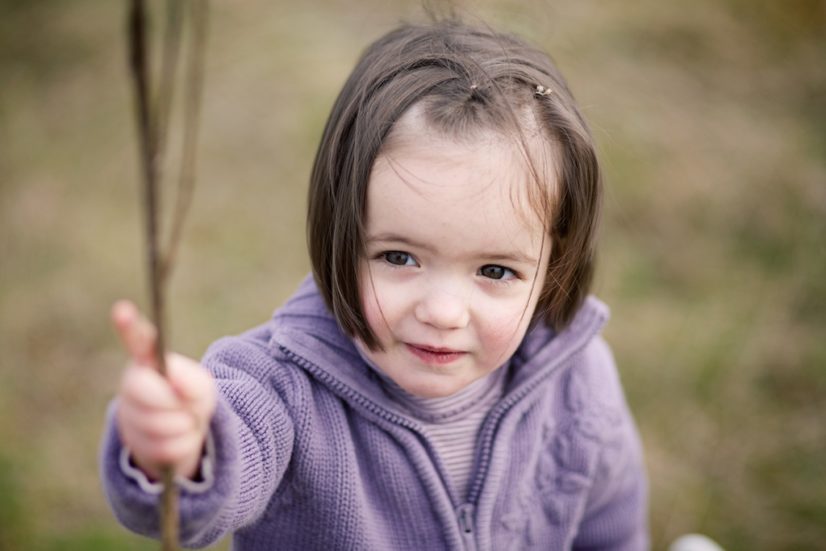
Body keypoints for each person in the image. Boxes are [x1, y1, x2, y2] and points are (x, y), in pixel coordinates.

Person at [101, 19, 649, 550]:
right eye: (398, 256)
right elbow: (217, 474)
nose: (442, 311)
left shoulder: (577, 379)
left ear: (556, 265)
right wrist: (184, 446)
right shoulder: (281, 390)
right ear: (339, 235)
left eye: (495, 271)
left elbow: (610, 528)